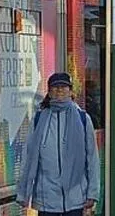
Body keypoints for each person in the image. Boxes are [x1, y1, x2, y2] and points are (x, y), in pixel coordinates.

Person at [16, 72, 100, 216]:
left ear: (70, 90)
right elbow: (28, 157)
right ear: (49, 92)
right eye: (55, 87)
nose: (59, 90)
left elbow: (92, 158)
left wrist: (92, 193)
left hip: (75, 197)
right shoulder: (38, 120)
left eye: (64, 86)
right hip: (46, 198)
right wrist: (23, 193)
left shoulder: (83, 119)